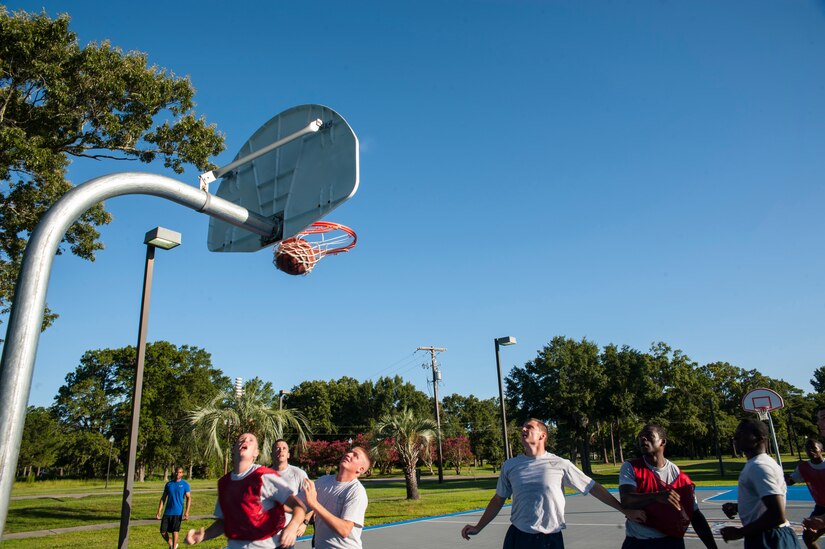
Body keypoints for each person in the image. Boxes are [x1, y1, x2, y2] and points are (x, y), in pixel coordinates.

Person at [460, 418, 646, 549]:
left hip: (550, 539)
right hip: (518, 536)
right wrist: (478, 527)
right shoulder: (510, 465)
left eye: (529, 427)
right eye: (523, 427)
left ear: (542, 436)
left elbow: (593, 488)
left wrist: (624, 510)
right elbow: (498, 499)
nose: (523, 429)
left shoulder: (560, 464)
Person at [185, 432, 306, 548]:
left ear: (256, 453)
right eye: (241, 439)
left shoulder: (264, 476)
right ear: (233, 449)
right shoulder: (224, 483)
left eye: (250, 440)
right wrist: (202, 536)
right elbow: (224, 522)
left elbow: (299, 507)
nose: (245, 441)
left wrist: (293, 527)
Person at [619, 424, 717, 549]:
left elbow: (695, 515)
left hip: (671, 541)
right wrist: (656, 496)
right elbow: (626, 500)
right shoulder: (631, 467)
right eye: (641, 436)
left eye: (649, 435)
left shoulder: (680, 478)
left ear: (662, 441)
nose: (643, 438)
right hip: (639, 541)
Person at [720, 418, 799, 548]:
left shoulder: (760, 466)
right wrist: (739, 507)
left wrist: (740, 532)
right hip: (765, 535)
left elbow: (777, 515)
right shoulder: (759, 464)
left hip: (770, 538)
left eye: (741, 434)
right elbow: (765, 505)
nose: (735, 438)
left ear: (760, 438)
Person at [301, 446, 370, 549]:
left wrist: (314, 504)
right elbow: (295, 503)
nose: (348, 454)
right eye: (349, 452)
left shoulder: (356, 491)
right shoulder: (323, 481)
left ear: (360, 469)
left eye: (355, 456)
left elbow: (345, 530)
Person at [786, 439, 825, 549]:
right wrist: (784, 477)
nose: (810, 451)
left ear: (821, 450)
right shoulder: (803, 467)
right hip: (820, 507)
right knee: (808, 536)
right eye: (808, 448)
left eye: (814, 448)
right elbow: (790, 481)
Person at [273, 439, 312, 538]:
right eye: (277, 448)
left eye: (284, 448)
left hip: (287, 533)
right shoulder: (264, 475)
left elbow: (311, 502)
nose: (281, 451)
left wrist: (304, 523)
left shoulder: (298, 474)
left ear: (288, 454)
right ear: (272, 453)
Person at [157, 466, 192, 549]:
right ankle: (172, 544)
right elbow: (163, 498)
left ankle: (173, 548)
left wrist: (187, 512)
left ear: (182, 474)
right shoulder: (169, 484)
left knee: (175, 531)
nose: (177, 474)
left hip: (178, 512)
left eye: (180, 472)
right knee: (163, 531)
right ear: (174, 472)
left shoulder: (185, 485)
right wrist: (159, 511)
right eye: (176, 472)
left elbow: (189, 498)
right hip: (167, 512)